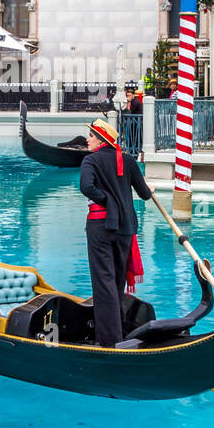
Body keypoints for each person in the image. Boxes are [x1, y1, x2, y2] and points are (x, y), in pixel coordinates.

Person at [79, 119, 152, 347]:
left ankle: (110, 342)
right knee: (117, 282)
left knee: (104, 284)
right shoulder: (128, 160)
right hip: (125, 230)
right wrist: (148, 190)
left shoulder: (90, 160)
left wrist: (107, 200)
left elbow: (86, 187)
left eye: (91, 135)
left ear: (101, 139)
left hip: (101, 228)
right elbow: (145, 194)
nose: (87, 139)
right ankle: (118, 334)